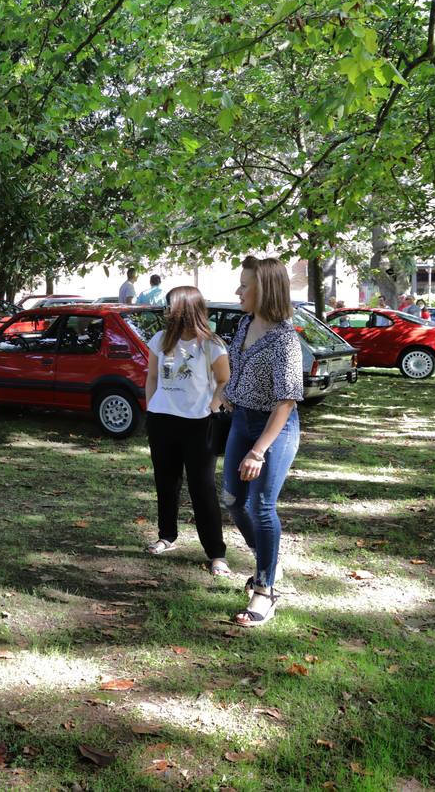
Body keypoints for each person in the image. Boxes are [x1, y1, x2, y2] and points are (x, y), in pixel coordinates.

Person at [217, 255, 303, 627]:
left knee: (261, 507)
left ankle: (265, 590)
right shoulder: (244, 323)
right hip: (241, 419)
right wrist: (224, 393)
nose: (238, 291)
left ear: (264, 289)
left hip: (275, 428)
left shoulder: (285, 339)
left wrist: (258, 451)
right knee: (234, 501)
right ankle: (268, 558)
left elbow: (286, 401)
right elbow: (235, 368)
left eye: (244, 285)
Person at [143, 286, 231, 575]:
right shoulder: (160, 340)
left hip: (198, 425)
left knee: (202, 488)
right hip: (161, 422)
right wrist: (151, 407)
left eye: (171, 307)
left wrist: (212, 407)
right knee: (165, 483)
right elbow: (153, 377)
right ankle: (166, 536)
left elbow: (224, 380)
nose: (166, 312)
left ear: (186, 309)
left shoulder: (211, 344)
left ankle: (216, 553)